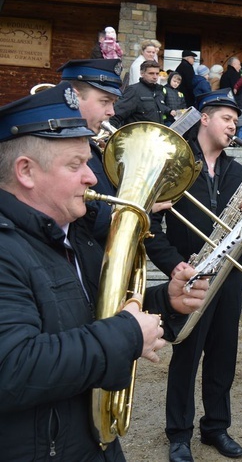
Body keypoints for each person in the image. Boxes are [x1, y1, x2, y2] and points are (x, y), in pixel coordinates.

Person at [0, 84, 207, 461]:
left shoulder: (74, 235)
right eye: (75, 165)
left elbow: (98, 317)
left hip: (93, 443)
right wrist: (128, 333)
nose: (93, 178)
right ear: (26, 171)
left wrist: (166, 303)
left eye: (88, 164)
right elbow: (12, 368)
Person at [144, 89, 242, 462]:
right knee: (187, 355)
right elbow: (150, 223)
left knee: (224, 354)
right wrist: (174, 266)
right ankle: (179, 433)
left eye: (236, 120)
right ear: (205, 118)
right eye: (226, 118)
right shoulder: (178, 163)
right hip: (190, 275)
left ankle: (217, 427)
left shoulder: (238, 169)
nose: (233, 125)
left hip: (230, 273)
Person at [57, 58, 123, 245]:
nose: (111, 112)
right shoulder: (56, 147)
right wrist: (135, 210)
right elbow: (85, 222)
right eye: (105, 101)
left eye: (113, 103)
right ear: (74, 97)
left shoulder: (90, 145)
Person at [111, 59, 175, 127]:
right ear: (142, 73)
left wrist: (170, 111)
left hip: (155, 133)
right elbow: (116, 114)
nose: (155, 77)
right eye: (151, 73)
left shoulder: (159, 90)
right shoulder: (134, 90)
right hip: (137, 134)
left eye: (157, 73)